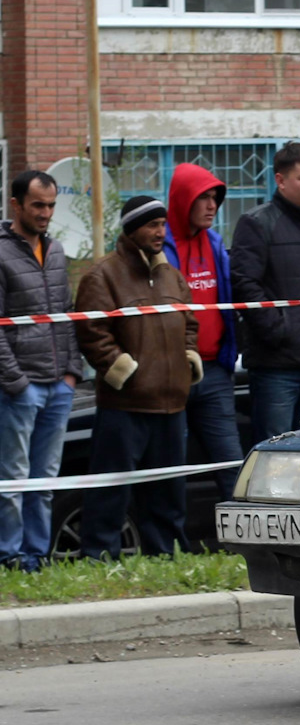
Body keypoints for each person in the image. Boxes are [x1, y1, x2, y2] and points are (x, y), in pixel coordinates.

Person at [74, 196, 201, 560]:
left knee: (168, 492)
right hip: (124, 405)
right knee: (110, 492)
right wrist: (123, 371)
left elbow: (190, 322)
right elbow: (92, 333)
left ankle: (166, 557)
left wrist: (187, 359)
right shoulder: (102, 275)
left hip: (172, 403)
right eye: (152, 225)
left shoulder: (171, 274)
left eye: (163, 224)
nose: (161, 232)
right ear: (132, 229)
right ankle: (99, 559)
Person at [229, 142, 300, 445]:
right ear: (280, 180)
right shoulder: (256, 223)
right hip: (276, 364)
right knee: (276, 452)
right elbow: (244, 284)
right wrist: (279, 329)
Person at [0, 171, 83, 570]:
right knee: (13, 479)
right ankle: (9, 556)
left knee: (45, 481)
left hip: (58, 386)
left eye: (51, 205)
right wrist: (16, 382)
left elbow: (66, 315)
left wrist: (71, 372)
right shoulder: (0, 252)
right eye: (38, 205)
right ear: (15, 205)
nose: (46, 213)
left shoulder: (56, 251)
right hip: (21, 388)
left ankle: (36, 556)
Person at [161, 162, 243, 497]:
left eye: (215, 198)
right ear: (183, 199)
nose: (212, 206)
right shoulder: (159, 246)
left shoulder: (214, 243)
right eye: (203, 198)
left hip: (215, 372)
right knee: (172, 466)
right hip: (172, 373)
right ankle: (171, 546)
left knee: (231, 463)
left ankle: (245, 541)